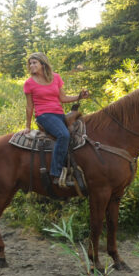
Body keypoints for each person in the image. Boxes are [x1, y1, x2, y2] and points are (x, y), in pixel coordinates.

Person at [23, 52, 89, 187]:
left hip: (59, 114)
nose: (32, 65)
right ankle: (55, 173)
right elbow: (29, 107)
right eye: (30, 63)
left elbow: (63, 98)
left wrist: (79, 97)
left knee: (79, 132)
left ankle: (73, 168)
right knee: (63, 135)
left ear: (43, 64)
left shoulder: (56, 78)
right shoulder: (29, 83)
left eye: (34, 62)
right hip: (44, 115)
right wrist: (27, 126)